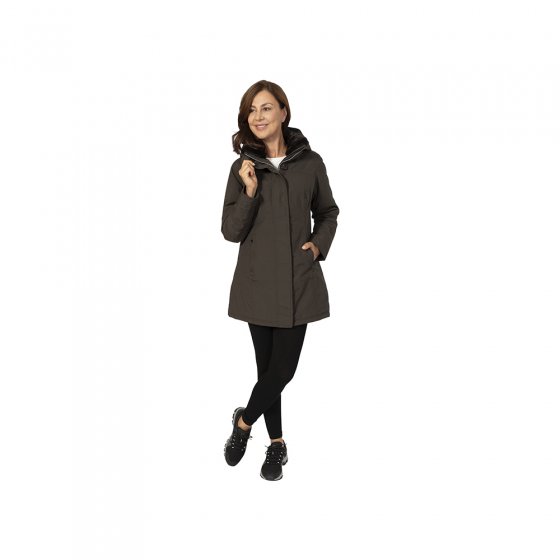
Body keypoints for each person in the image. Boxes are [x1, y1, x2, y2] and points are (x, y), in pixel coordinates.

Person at [221, 80, 339, 481]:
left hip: (297, 280)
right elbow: (231, 230)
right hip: (257, 281)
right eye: (252, 110)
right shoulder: (243, 169)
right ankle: (277, 444)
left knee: (282, 370)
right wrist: (250, 191)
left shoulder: (310, 163)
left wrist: (318, 245)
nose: (258, 116)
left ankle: (243, 423)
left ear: (284, 112)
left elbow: (328, 211)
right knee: (267, 370)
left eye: (266, 108)